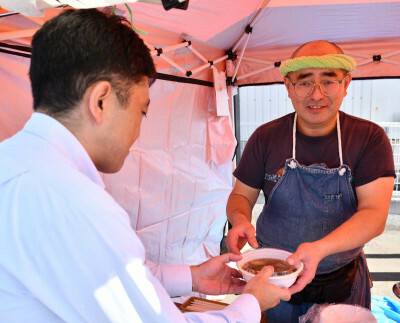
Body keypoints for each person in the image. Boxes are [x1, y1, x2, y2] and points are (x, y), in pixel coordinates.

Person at [0, 8, 292, 322]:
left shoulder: (16, 160)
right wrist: (250, 303)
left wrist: (192, 276)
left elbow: (113, 271)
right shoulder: (75, 201)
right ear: (100, 101)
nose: (137, 133)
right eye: (141, 112)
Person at [226, 40, 395, 322]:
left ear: (346, 84)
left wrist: (320, 249)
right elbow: (241, 195)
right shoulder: (265, 137)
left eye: (328, 82)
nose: (316, 95)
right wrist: (240, 219)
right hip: (274, 282)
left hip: (342, 283)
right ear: (289, 88)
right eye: (304, 84)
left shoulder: (369, 138)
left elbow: (374, 215)